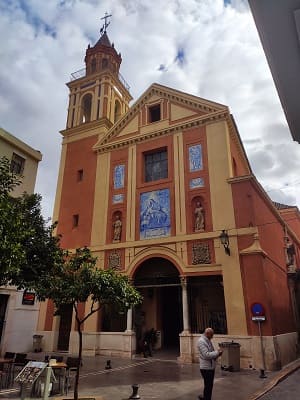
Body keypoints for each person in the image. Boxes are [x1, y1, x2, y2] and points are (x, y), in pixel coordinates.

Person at [197, 327, 222, 400]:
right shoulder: (201, 341)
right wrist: (217, 352)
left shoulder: (208, 340)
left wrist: (217, 354)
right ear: (207, 334)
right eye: (211, 335)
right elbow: (206, 354)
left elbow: (211, 352)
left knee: (209, 385)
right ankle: (206, 398)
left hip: (210, 367)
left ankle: (205, 397)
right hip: (206, 368)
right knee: (208, 385)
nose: (212, 337)